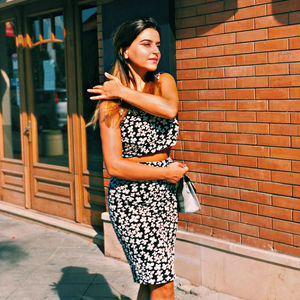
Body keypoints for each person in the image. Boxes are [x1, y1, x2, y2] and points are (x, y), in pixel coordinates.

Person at [87, 17, 188, 300]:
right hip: (132, 198)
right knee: (162, 282)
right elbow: (115, 165)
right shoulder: (110, 102)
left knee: (152, 277)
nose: (155, 50)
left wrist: (123, 91)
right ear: (124, 51)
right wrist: (164, 173)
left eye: (157, 44)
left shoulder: (164, 82)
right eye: (146, 44)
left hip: (163, 196)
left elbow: (169, 109)